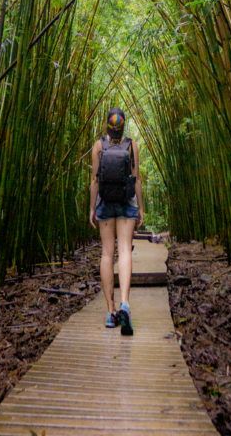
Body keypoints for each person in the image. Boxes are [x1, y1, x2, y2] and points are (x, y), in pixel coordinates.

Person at [89, 107, 145, 336]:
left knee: (106, 254)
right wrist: (141, 207)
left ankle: (111, 312)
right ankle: (124, 303)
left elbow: (94, 180)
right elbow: (137, 178)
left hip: (105, 203)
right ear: (123, 126)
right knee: (124, 252)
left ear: (107, 125)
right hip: (125, 201)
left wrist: (92, 208)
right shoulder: (131, 145)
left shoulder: (98, 146)